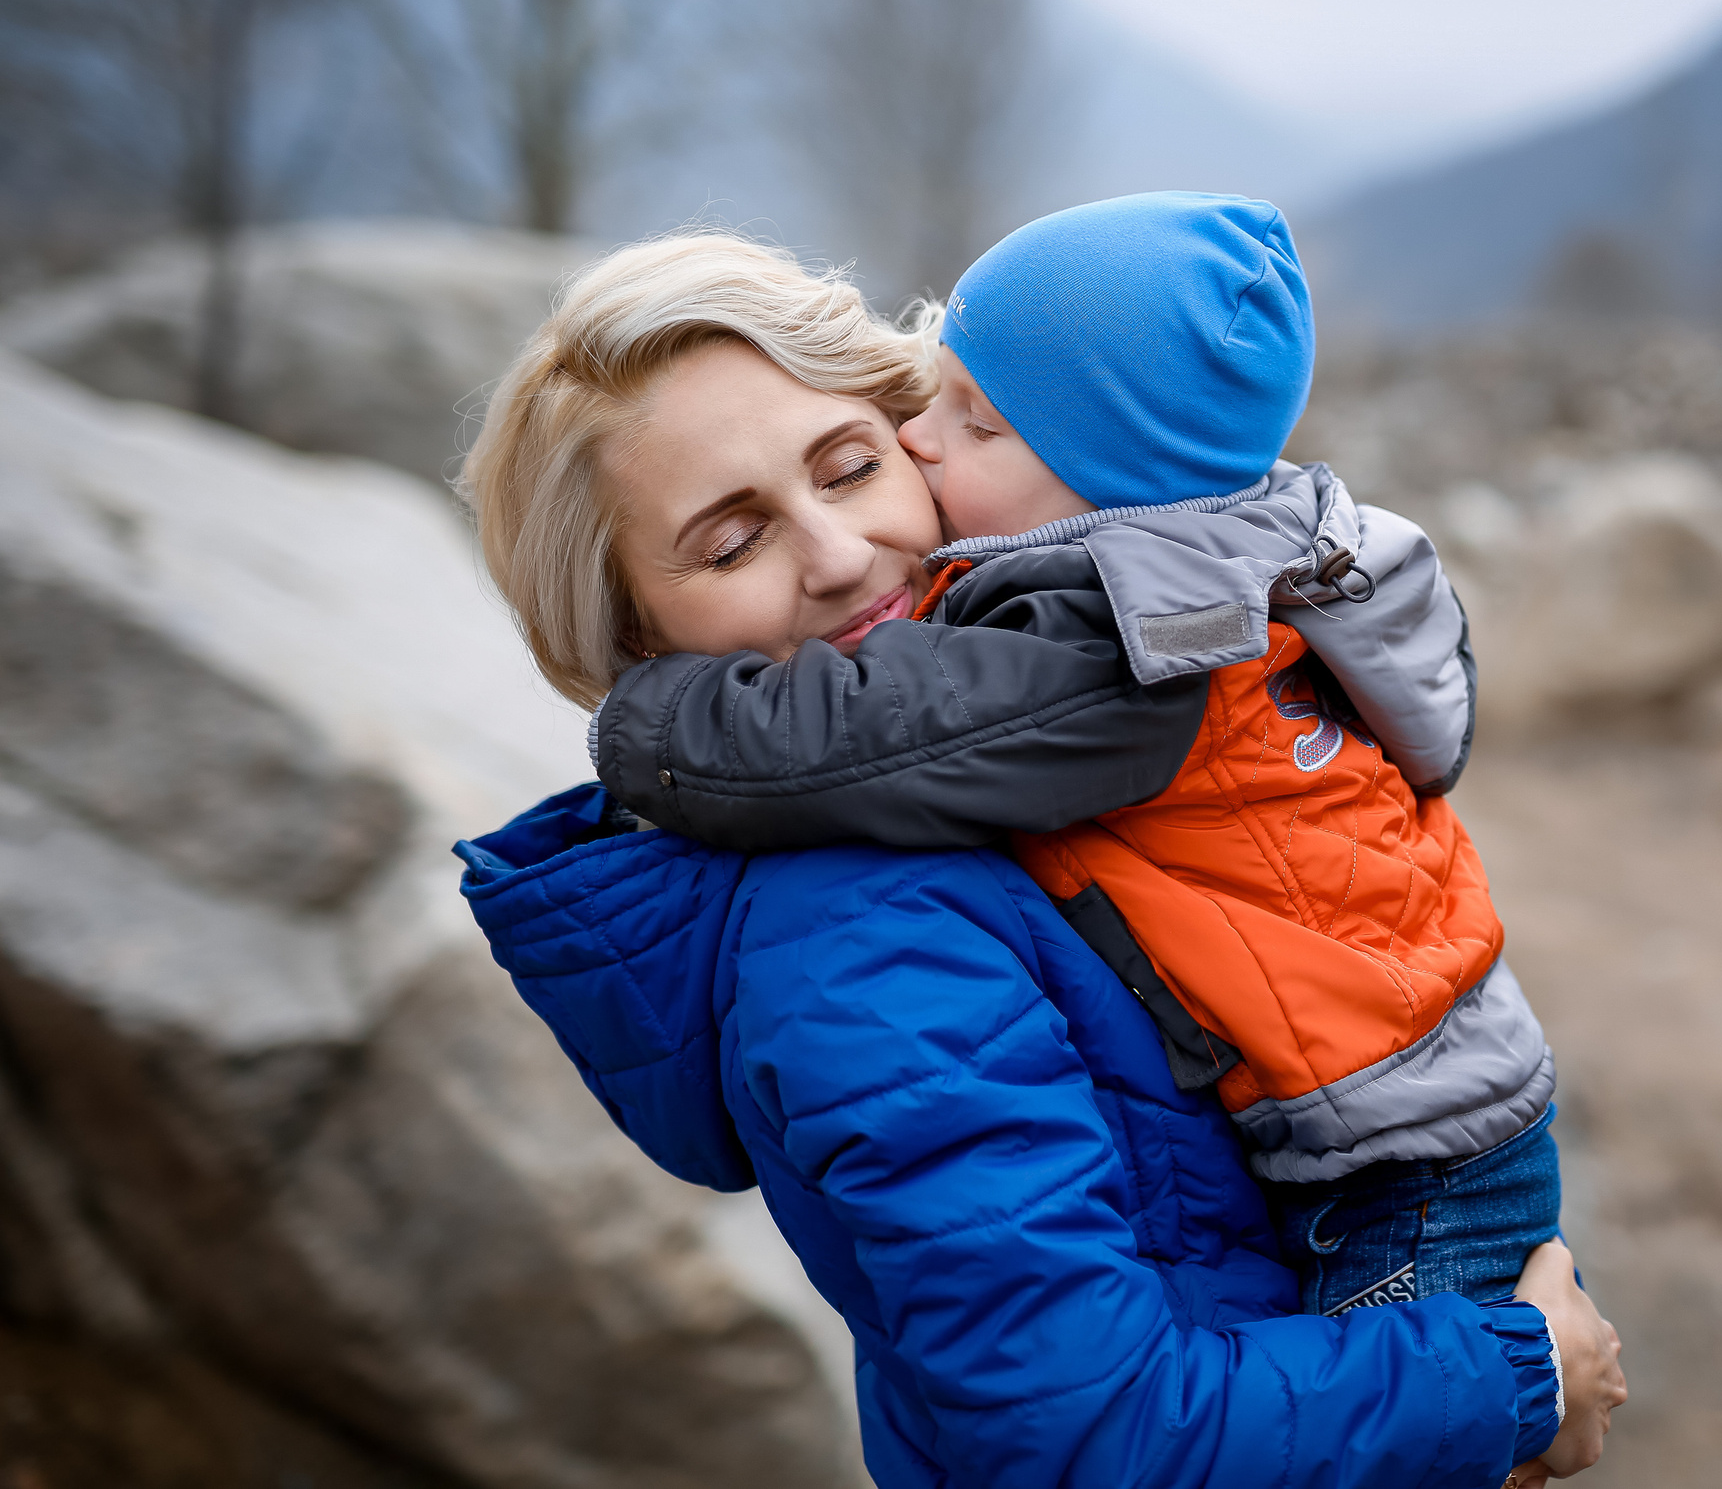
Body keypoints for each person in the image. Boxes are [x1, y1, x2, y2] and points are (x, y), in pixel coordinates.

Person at [452, 230, 1626, 1489]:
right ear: (638, 640)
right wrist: (1519, 1375)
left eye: (849, 468)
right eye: (732, 544)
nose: (838, 557)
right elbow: (1087, 1445)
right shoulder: (855, 929)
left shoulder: (1014, 757)